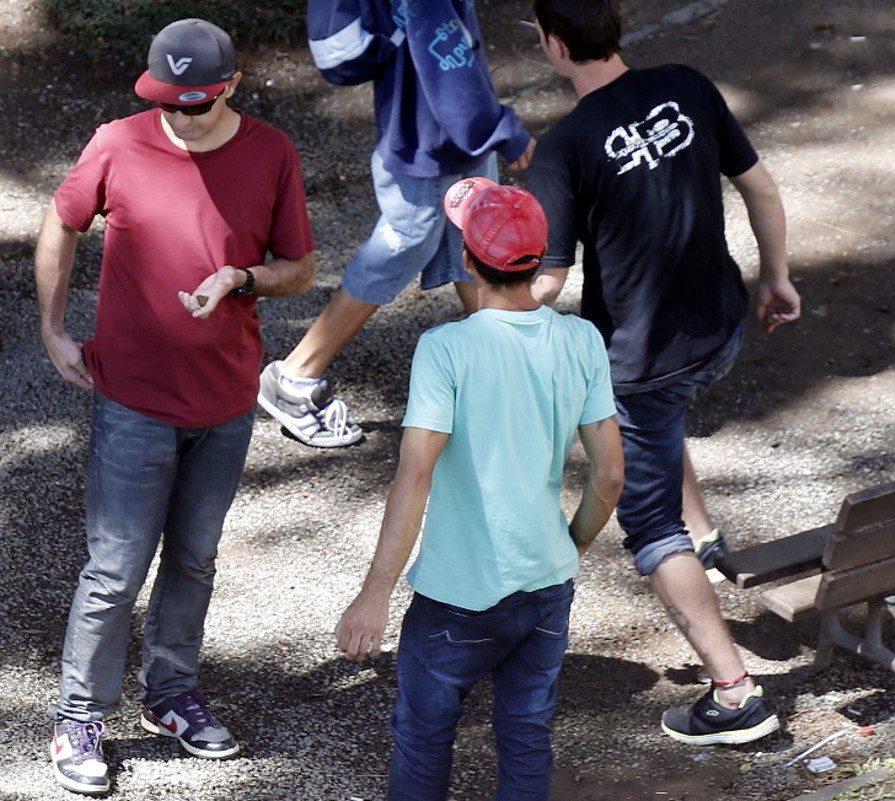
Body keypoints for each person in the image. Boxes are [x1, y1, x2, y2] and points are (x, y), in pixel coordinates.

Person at [35, 19, 317, 795]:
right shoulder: (118, 142)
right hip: (133, 398)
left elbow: (299, 267)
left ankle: (171, 694)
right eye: (170, 103)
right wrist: (53, 329)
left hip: (225, 402)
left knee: (194, 558)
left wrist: (243, 279)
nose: (182, 118)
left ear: (229, 86)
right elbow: (61, 221)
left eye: (197, 104)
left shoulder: (271, 152)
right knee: (116, 568)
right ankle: (79, 716)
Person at [526, 0, 802, 745]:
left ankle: (737, 695)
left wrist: (494, 314)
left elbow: (547, 282)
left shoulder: (567, 145)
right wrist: (776, 278)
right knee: (656, 426)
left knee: (649, 525)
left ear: (554, 45)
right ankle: (706, 539)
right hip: (720, 328)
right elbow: (763, 188)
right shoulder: (686, 82)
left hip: (642, 364)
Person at [333, 177, 624, 800]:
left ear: (467, 259)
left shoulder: (445, 350)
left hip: (456, 594)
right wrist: (569, 544)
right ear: (540, 259)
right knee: (525, 734)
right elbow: (610, 475)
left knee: (424, 736)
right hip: (546, 583)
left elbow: (414, 474)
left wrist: (374, 593)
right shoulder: (581, 340)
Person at [256, 0, 539, 448]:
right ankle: (295, 376)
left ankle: (509, 371)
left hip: (436, 133)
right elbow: (446, 57)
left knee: (472, 236)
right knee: (404, 243)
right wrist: (498, 127)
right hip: (430, 138)